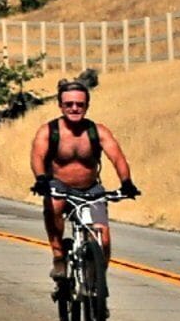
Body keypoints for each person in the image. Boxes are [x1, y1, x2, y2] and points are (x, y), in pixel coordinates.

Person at [30, 76, 138, 290]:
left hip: (90, 190)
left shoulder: (97, 131)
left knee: (103, 241)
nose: (74, 108)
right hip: (59, 186)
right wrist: (41, 179)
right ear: (60, 105)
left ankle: (95, 284)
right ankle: (59, 256)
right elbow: (37, 157)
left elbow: (117, 157)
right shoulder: (49, 131)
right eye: (69, 104)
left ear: (87, 105)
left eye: (80, 104)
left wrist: (126, 182)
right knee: (55, 205)